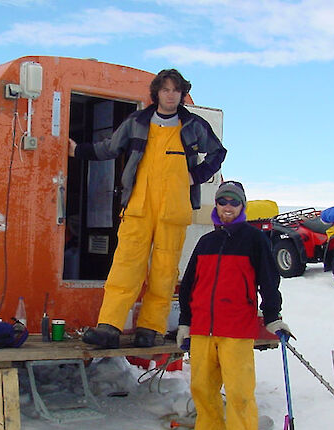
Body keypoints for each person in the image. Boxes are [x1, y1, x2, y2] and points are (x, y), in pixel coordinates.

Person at [69, 69, 226, 349]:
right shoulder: (137, 121)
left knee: (165, 271)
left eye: (176, 90)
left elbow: (218, 153)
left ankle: (150, 329)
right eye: (165, 89)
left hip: (175, 208)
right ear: (157, 93)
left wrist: (194, 176)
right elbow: (109, 148)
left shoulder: (192, 125)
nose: (170, 95)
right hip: (139, 206)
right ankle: (109, 326)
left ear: (181, 94)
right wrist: (78, 151)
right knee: (125, 266)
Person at [176, 180, 291, 430]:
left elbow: (269, 279)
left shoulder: (254, 239)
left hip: (236, 330)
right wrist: (185, 322)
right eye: (223, 202)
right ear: (216, 205)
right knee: (202, 388)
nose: (227, 208)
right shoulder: (206, 243)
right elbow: (188, 285)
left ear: (242, 207)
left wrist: (272, 316)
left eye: (233, 203)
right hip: (202, 328)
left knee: (239, 394)